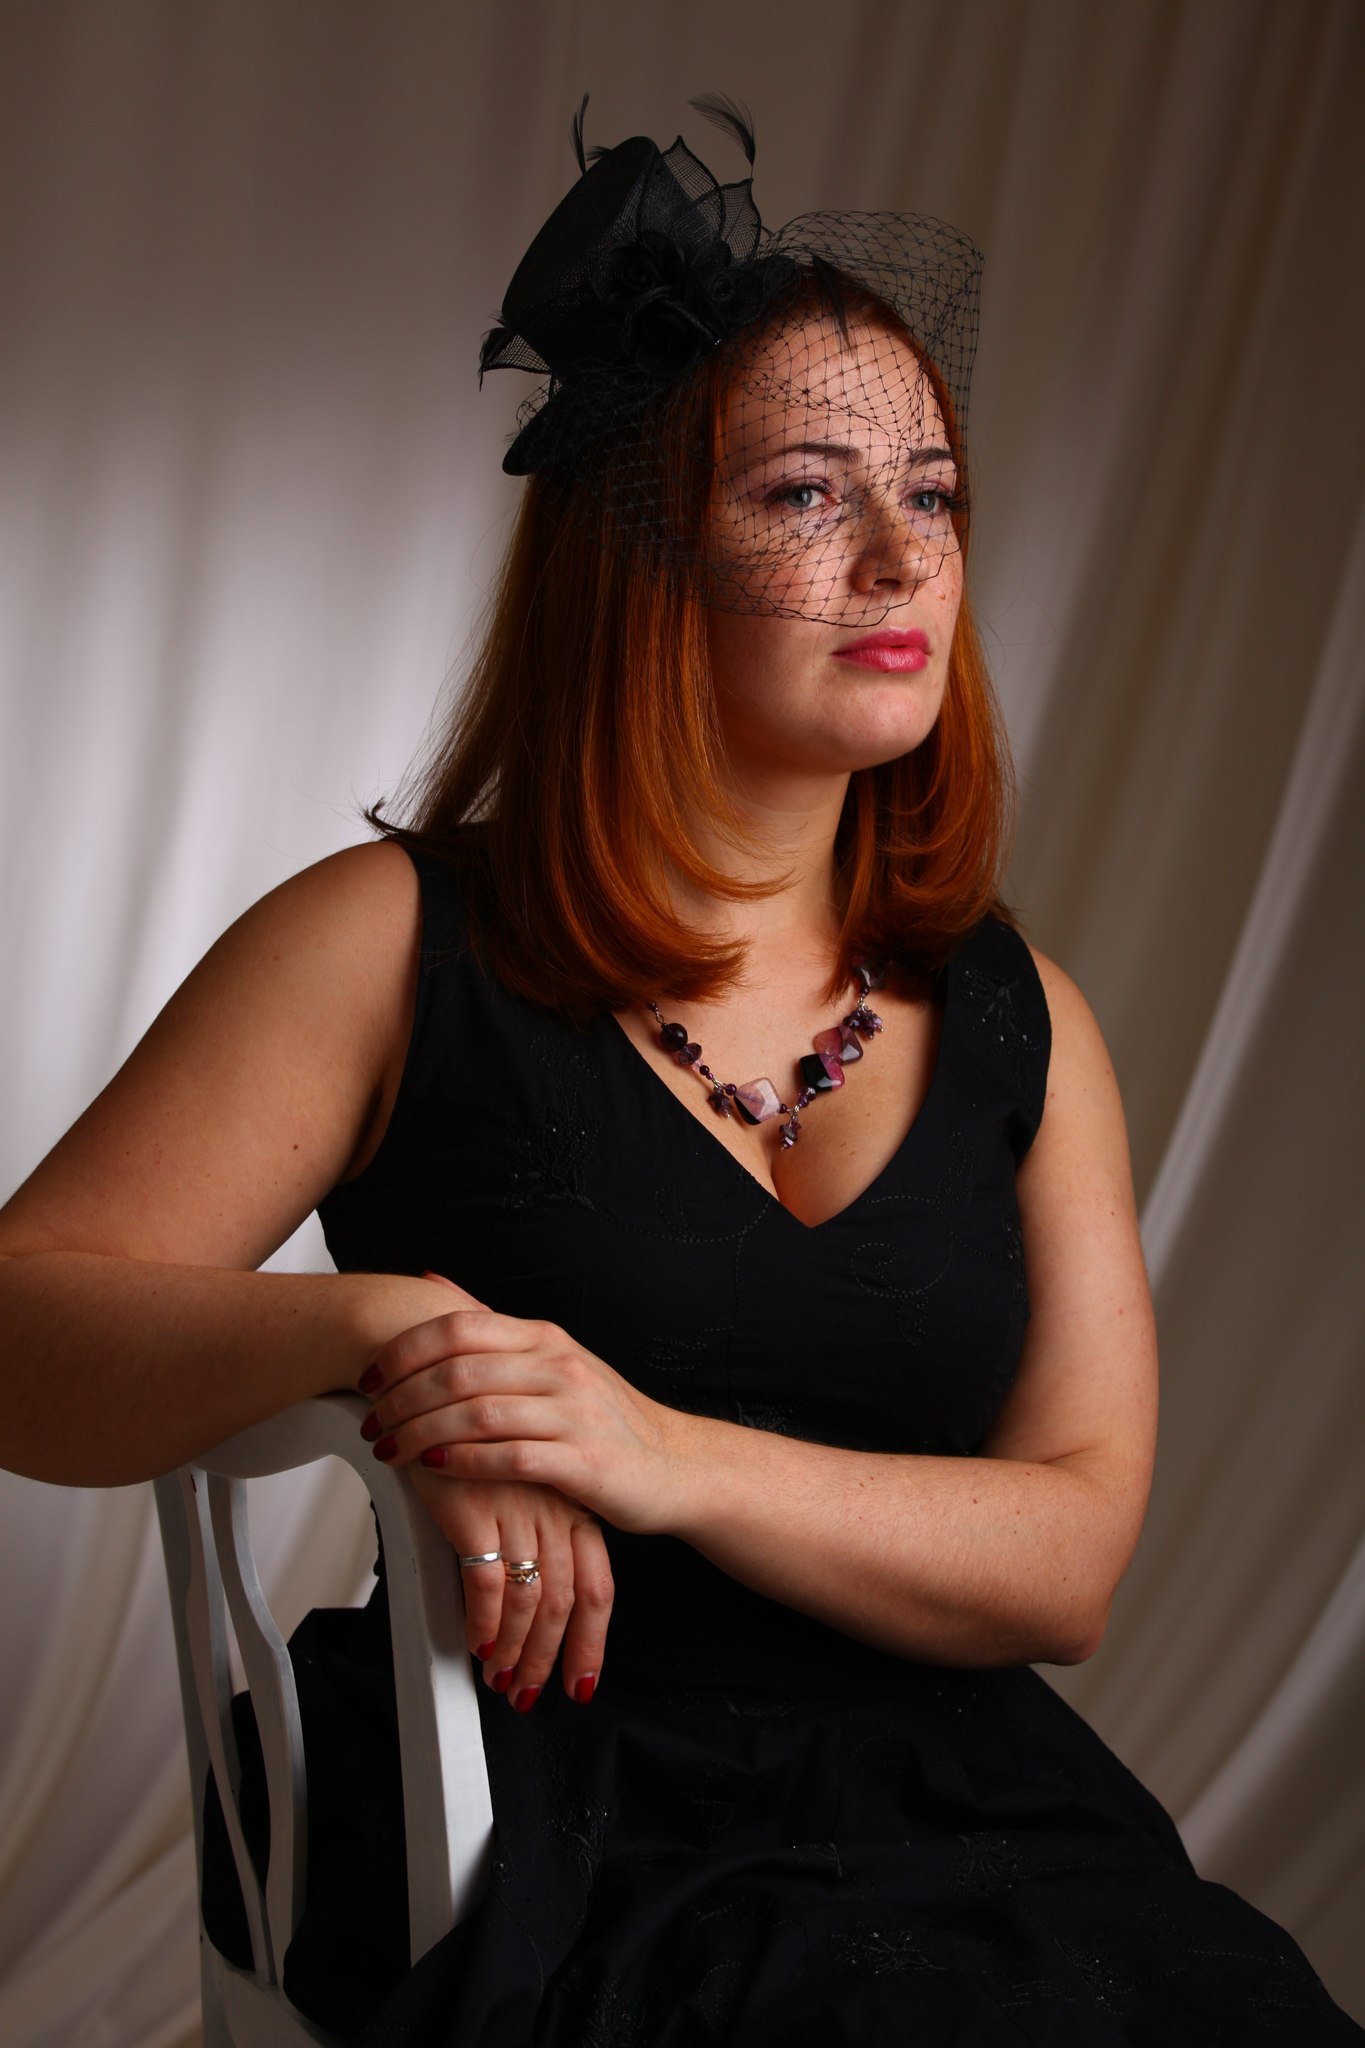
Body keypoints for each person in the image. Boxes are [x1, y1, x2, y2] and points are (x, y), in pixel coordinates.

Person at [0, 96, 1359, 2046]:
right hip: (527, 1793)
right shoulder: (386, 939)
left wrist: (655, 1453)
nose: (897, 555)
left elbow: (1063, 1559)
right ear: (642, 558)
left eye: (934, 494)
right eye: (804, 494)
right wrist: (403, 1335)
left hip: (956, 1811)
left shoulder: (1023, 1019)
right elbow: (24, 1326)